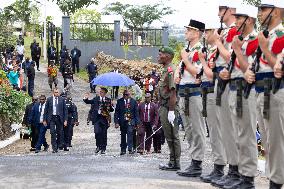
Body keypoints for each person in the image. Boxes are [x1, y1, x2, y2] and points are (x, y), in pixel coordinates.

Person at [217, 5, 259, 188]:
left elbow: (249, 68)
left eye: (240, 18)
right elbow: (234, 64)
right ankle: (239, 174)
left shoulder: (256, 40)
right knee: (237, 134)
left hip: (247, 90)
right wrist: (227, 72)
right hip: (234, 89)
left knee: (246, 135)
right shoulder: (239, 40)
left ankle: (248, 178)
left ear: (249, 20)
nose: (237, 22)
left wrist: (236, 48)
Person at [245, 1, 284, 188]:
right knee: (267, 141)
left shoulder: (281, 34)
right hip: (261, 91)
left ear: (275, 11)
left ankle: (277, 183)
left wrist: (264, 47)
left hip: (275, 91)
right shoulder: (265, 36)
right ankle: (273, 180)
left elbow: (279, 65)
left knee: (276, 141)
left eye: (264, 10)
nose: (259, 13)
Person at [209, 2, 240, 187]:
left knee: (231, 128)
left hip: (231, 79)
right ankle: (231, 170)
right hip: (221, 79)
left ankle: (235, 170)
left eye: (222, 9)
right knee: (224, 128)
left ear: (232, 11)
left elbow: (229, 56)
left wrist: (218, 42)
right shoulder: (226, 31)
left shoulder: (234, 31)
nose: (219, 13)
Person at [198, 18, 227, 183]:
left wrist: (202, 60)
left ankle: (220, 167)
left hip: (215, 92)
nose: (205, 34)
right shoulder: (210, 50)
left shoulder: (217, 50)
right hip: (208, 92)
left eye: (208, 31)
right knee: (213, 132)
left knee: (217, 132)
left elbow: (211, 74)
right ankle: (218, 166)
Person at [176, 19, 206, 178]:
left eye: (189, 30)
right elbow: (183, 68)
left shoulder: (201, 50)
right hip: (183, 91)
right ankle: (193, 160)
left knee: (197, 128)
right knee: (188, 128)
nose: (186, 32)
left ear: (196, 32)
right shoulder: (187, 50)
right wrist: (177, 72)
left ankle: (197, 162)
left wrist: (185, 59)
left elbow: (197, 73)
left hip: (194, 93)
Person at [157, 46, 181, 171]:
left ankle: (175, 163)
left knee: (173, 136)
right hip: (164, 106)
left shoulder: (171, 71)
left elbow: (173, 93)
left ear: (167, 56)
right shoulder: (165, 70)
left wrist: (171, 111)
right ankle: (172, 162)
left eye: (161, 54)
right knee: (169, 135)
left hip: (169, 107)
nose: (158, 56)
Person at [84, 88, 114, 154]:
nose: (101, 93)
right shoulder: (96, 99)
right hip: (97, 118)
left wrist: (112, 105)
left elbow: (111, 110)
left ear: (105, 93)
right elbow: (88, 102)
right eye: (100, 92)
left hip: (104, 118)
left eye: (102, 92)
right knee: (97, 132)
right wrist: (86, 98)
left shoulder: (108, 100)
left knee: (104, 134)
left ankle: (103, 148)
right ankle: (98, 146)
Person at [114, 90, 140, 155]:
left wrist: (137, 123)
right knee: (123, 135)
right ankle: (123, 149)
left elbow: (136, 113)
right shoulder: (119, 101)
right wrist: (116, 122)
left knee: (130, 133)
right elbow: (116, 112)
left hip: (131, 121)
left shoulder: (134, 102)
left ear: (130, 95)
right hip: (122, 121)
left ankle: (130, 148)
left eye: (127, 95)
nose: (125, 96)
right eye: (124, 94)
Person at [43, 88, 68, 153]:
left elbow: (65, 110)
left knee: (59, 133)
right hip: (51, 118)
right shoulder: (49, 99)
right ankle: (54, 148)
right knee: (52, 132)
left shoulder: (62, 99)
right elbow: (46, 110)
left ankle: (58, 145)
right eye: (55, 92)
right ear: (53, 93)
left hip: (59, 118)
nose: (57, 93)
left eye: (58, 92)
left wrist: (65, 120)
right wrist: (44, 120)